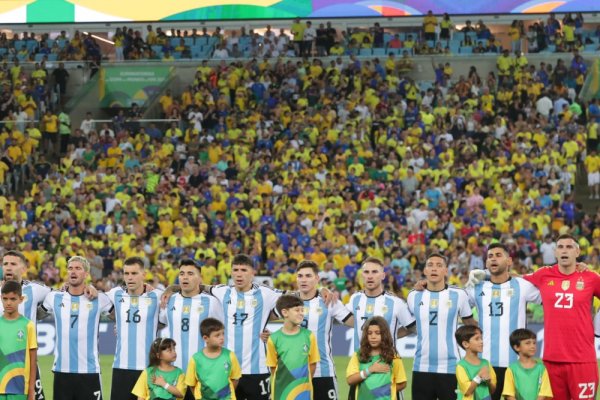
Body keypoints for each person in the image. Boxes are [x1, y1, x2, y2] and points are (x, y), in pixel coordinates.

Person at [0, 250, 96, 400]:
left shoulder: (35, 289)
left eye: (13, 264)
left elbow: (63, 295)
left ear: (24, 268)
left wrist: (90, 288)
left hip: (27, 363)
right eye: (5, 264)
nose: (8, 267)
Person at [520, 234, 600, 399]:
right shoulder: (543, 274)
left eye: (569, 247)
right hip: (551, 360)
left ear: (577, 252)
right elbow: (516, 282)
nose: (564, 250)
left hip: (582, 360)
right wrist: (485, 275)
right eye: (560, 247)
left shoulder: (591, 278)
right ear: (555, 252)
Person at [465, 243, 541, 400]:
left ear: (509, 261)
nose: (493, 259)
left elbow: (549, 297)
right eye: (490, 256)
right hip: (485, 364)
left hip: (516, 364)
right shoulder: (477, 287)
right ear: (486, 263)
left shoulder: (522, 286)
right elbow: (458, 306)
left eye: (499, 255)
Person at [205, 254, 283, 400]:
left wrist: (321, 291)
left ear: (253, 272)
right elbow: (199, 287)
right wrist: (170, 289)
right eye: (235, 270)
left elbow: (293, 298)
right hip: (226, 370)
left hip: (257, 369)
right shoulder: (222, 291)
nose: (239, 274)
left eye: (244, 270)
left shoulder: (266, 293)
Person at [41, 256, 112, 400]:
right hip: (62, 371)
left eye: (78, 268)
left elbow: (120, 315)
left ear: (86, 274)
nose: (73, 271)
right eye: (70, 268)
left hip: (89, 371)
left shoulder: (99, 299)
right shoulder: (54, 297)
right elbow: (35, 314)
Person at [407, 253, 476, 400]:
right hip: (421, 366)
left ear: (446, 271)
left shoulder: (459, 295)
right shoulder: (413, 295)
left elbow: (470, 325)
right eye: (430, 265)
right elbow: (408, 325)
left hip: (451, 367)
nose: (434, 269)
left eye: (439, 266)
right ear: (424, 271)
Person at [294, 260, 354, 400]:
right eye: (300, 276)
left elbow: (354, 322)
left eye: (308, 276)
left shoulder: (329, 301)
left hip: (323, 372)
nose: (303, 279)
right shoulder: (288, 300)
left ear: (317, 278)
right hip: (294, 373)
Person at [107, 257, 164, 400]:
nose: (130, 277)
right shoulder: (115, 294)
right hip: (121, 367)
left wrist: (170, 289)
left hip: (148, 368)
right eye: (126, 273)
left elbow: (179, 295)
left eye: (134, 273)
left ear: (144, 275)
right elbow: (92, 298)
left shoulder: (157, 296)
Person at [159, 259, 223, 382]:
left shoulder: (212, 302)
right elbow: (157, 323)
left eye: (190, 274)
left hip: (203, 373)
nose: (185, 277)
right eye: (182, 274)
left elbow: (223, 333)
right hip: (174, 373)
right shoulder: (169, 300)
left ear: (200, 278)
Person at [346, 257, 415, 351]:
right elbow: (343, 316)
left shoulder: (395, 302)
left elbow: (411, 327)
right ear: (362, 275)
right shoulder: (355, 299)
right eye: (366, 272)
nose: (370, 276)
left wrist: (391, 336)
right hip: (359, 361)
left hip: (386, 361)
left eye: (374, 272)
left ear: (383, 275)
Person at [266, 295, 319, 400]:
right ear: (285, 312)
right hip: (281, 393)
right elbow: (273, 368)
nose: (301, 313)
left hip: (303, 392)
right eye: (297, 310)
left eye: (302, 310)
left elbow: (313, 363)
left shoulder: (309, 336)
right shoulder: (274, 338)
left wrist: (300, 383)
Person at [346, 316, 407, 400]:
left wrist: (381, 391)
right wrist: (370, 370)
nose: (373, 337)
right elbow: (350, 380)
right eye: (369, 333)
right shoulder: (358, 355)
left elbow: (402, 383)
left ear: (384, 334)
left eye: (377, 333)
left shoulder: (393, 356)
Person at [185, 318, 241, 400]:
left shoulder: (230, 355)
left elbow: (235, 378)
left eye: (223, 334)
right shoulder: (196, 359)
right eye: (217, 335)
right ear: (205, 338)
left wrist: (223, 395)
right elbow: (191, 384)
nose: (222, 337)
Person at [0, 280, 38, 400]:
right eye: (5, 299)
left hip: (20, 388)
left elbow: (33, 360)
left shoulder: (28, 325)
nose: (8, 303)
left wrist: (31, 389)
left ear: (21, 299)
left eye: (13, 299)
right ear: (1, 298)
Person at [502, 329, 553, 400]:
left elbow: (544, 393)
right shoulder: (511, 369)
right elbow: (509, 395)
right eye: (528, 343)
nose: (533, 346)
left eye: (534, 343)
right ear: (517, 347)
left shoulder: (542, 369)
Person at [455, 325, 496, 400]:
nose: (481, 341)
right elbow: (467, 391)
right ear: (465, 344)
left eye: (481, 338)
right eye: (477, 339)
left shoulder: (486, 363)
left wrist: (488, 382)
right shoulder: (461, 366)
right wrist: (479, 376)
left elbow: (492, 390)